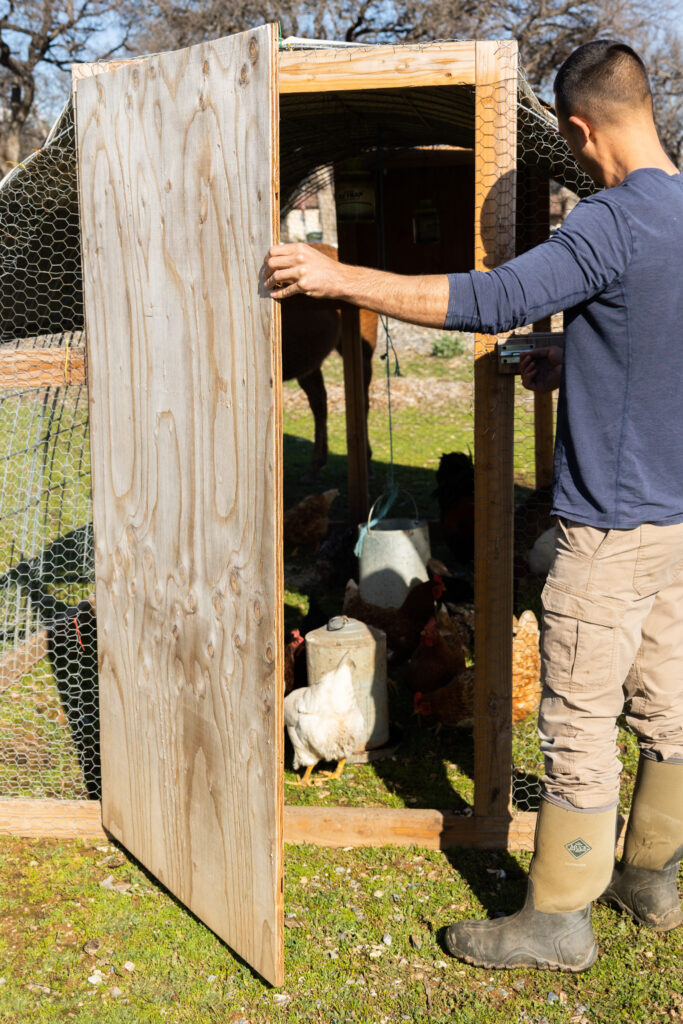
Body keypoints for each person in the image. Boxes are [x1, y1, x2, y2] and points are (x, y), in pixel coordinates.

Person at [264, 39, 683, 972]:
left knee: (575, 720)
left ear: (579, 129)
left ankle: (557, 922)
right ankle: (652, 876)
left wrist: (339, 279)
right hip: (674, 523)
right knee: (668, 705)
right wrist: (580, 357)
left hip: (610, 530)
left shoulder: (609, 221)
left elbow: (488, 299)